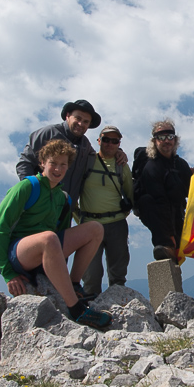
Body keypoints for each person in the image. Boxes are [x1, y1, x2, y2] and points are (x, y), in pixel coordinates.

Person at [0, 139, 112, 329]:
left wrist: (58, 276)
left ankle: (73, 283)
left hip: (46, 250)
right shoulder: (27, 187)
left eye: (63, 164)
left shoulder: (63, 198)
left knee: (95, 228)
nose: (58, 168)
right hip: (18, 253)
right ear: (42, 163)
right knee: (48, 237)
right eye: (53, 163)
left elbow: (61, 234)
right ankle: (76, 310)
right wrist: (8, 274)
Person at [16, 100, 126, 209]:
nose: (81, 124)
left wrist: (118, 151)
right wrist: (32, 193)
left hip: (65, 210)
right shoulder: (48, 133)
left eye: (86, 121)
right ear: (68, 116)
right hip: (37, 206)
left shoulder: (85, 145)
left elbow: (100, 156)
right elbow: (25, 163)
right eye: (78, 118)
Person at [75, 125, 133, 303]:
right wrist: (79, 218)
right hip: (89, 225)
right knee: (90, 275)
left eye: (114, 141)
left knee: (118, 274)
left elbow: (130, 194)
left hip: (116, 224)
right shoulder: (86, 161)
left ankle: (118, 310)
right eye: (106, 139)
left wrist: (125, 213)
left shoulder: (121, 165)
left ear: (119, 143)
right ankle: (91, 311)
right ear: (98, 140)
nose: (110, 144)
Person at [134, 119, 194, 261]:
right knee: (147, 201)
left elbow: (192, 191)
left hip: (177, 212)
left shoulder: (180, 164)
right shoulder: (151, 167)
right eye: (161, 137)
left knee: (177, 256)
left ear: (175, 139)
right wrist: (169, 237)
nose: (166, 140)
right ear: (154, 141)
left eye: (170, 136)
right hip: (158, 214)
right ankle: (164, 244)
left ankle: (171, 249)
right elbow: (160, 202)